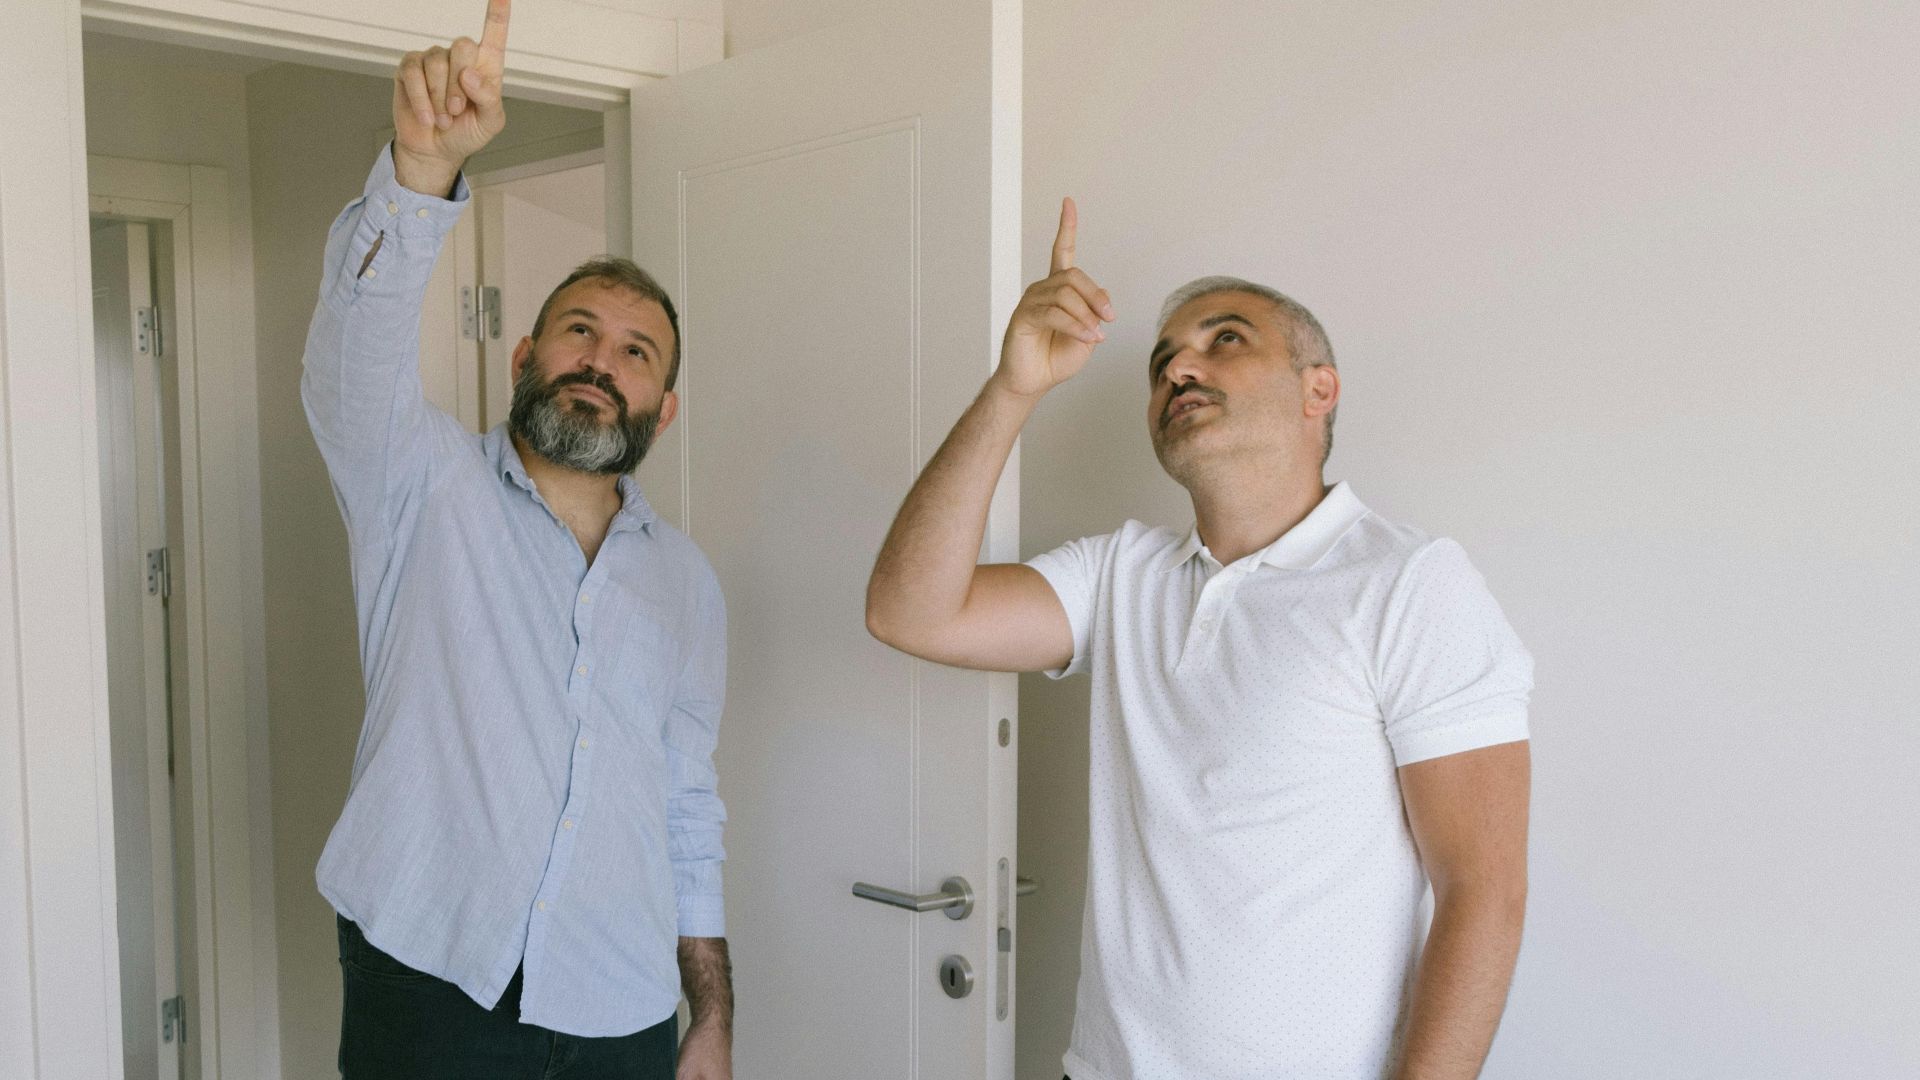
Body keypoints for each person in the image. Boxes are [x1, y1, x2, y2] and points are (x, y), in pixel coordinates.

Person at [866, 200, 1533, 1080]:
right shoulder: (1120, 575)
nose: (1179, 364)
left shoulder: (1409, 583)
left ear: (1317, 389)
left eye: (1226, 339)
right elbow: (910, 611)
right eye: (1160, 361)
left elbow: (1482, 890)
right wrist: (1013, 388)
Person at [301, 3, 731, 1076]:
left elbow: (685, 800)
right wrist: (421, 173)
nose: (602, 359)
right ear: (523, 357)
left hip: (622, 994)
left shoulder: (687, 583)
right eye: (579, 330)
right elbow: (349, 363)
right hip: (428, 969)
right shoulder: (421, 483)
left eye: (638, 352)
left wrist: (710, 1012)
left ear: (662, 410)